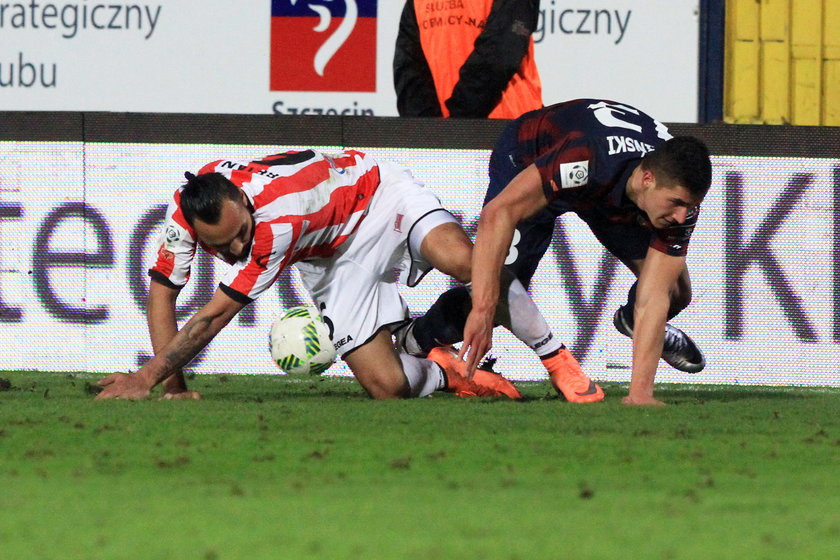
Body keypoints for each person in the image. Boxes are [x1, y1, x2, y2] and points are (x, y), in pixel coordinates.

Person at [96, 149, 601, 402]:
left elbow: (209, 320)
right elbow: (161, 293)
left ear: (244, 202)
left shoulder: (274, 226)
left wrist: (145, 375)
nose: (237, 248)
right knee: (386, 387)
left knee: (470, 262)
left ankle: (557, 361)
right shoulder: (185, 214)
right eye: (222, 245)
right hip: (329, 258)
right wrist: (172, 389)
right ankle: (440, 361)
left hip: (381, 197)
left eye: (241, 233)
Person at [396, 99, 713, 406]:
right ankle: (414, 340)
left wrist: (640, 394)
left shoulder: (673, 197)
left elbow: (655, 293)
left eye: (691, 206)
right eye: (676, 204)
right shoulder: (586, 158)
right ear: (648, 179)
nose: (682, 217)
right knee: (495, 288)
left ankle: (633, 320)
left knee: (673, 290)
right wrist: (482, 306)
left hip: (605, 193)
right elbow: (498, 213)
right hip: (530, 159)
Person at [393, 0, 542, 118]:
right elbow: (410, 72)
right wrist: (431, 131)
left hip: (508, 129)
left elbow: (501, 52)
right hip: (457, 135)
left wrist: (451, 124)